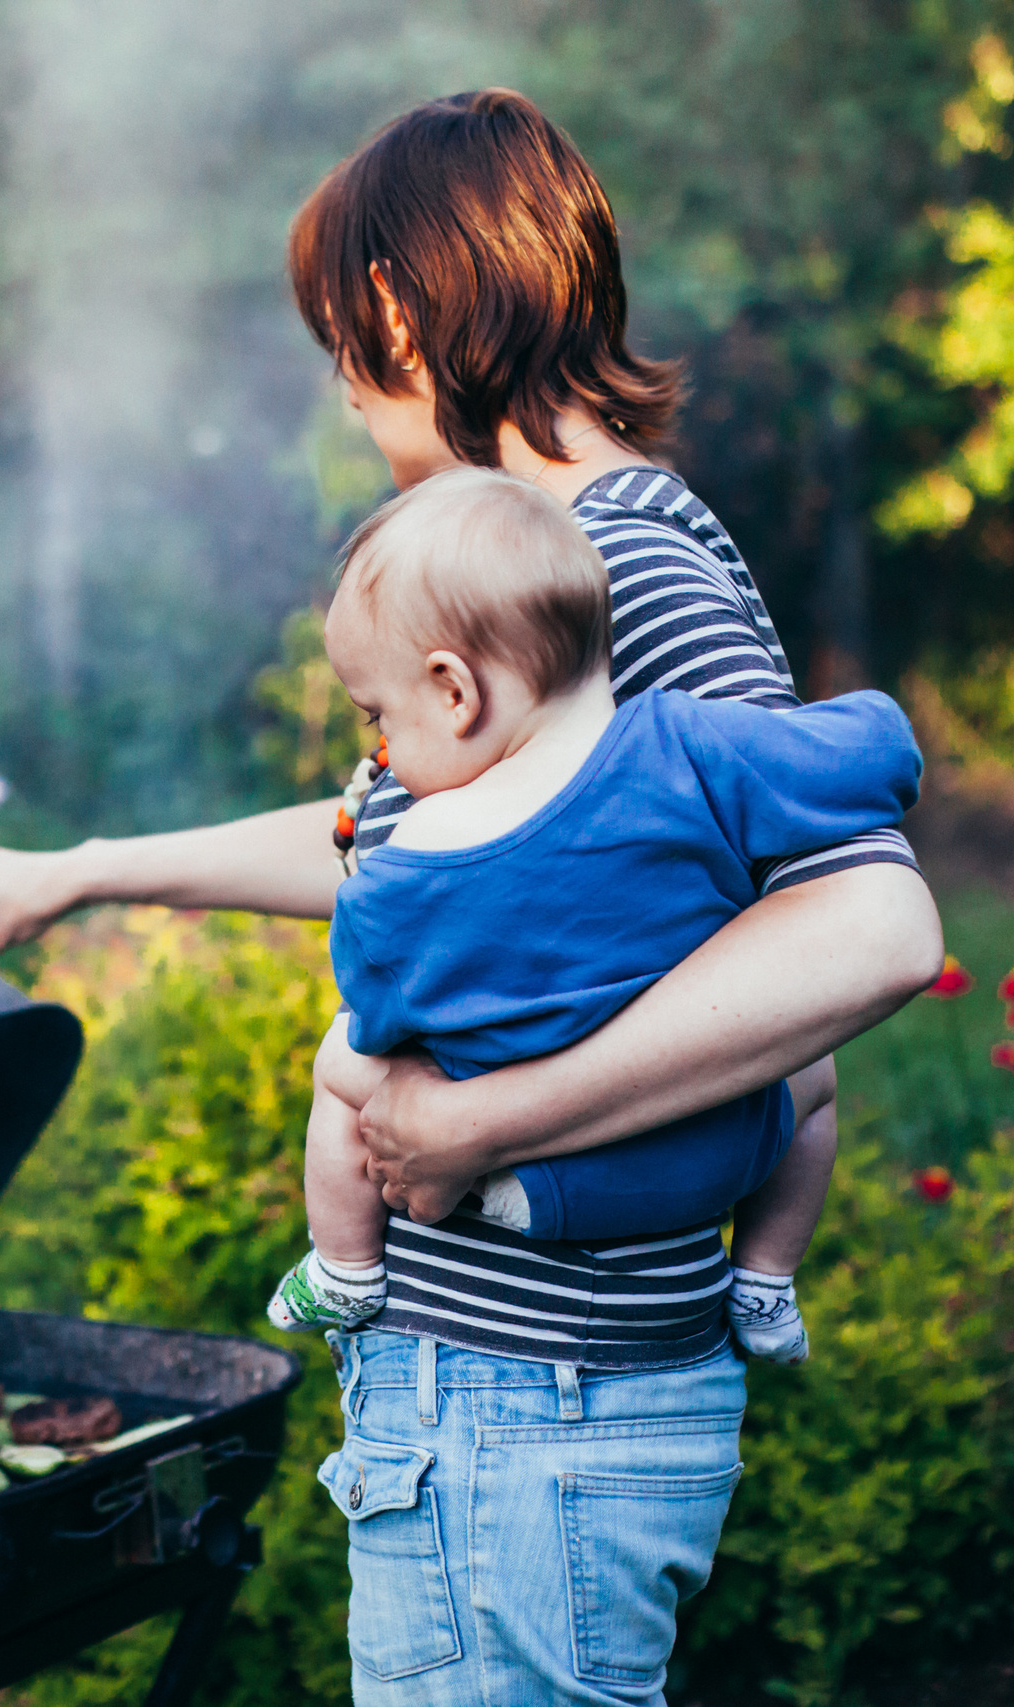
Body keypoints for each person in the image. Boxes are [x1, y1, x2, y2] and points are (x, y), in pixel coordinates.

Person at [0, 88, 941, 1706]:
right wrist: (80, 875)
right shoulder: (537, 566)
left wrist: (491, 1123)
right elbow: (410, 846)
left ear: (404, 305)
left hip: (543, 1398)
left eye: (342, 330)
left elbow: (873, 926)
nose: (341, 379)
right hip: (511, 1394)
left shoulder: (628, 563)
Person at [263, 466, 923, 1375]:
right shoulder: (689, 742)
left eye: (381, 719)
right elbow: (864, 755)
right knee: (814, 1070)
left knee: (343, 1066)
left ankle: (342, 1267)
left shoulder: (418, 858)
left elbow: (379, 1006)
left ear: (455, 692)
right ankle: (766, 1279)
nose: (384, 751)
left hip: (522, 1188)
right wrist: (888, 743)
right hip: (709, 1169)